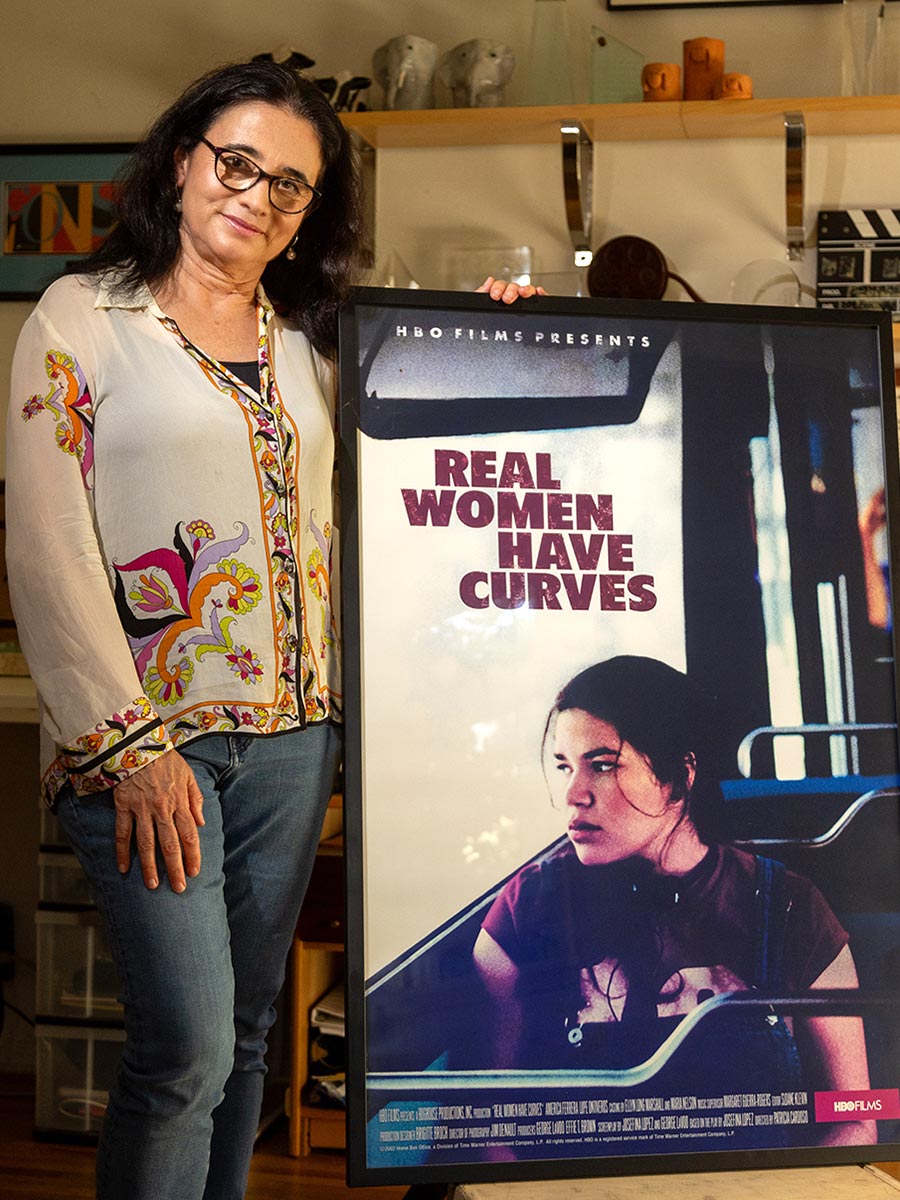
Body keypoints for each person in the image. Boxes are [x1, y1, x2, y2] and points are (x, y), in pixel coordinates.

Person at [6, 61, 542, 1200]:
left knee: (250, 1039)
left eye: (289, 185)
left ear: (308, 216)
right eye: (236, 163)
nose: (255, 195)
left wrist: (486, 333)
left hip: (298, 744)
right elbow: (46, 547)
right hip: (147, 749)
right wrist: (131, 753)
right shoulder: (83, 318)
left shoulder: (314, 339)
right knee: (186, 1051)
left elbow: (441, 432)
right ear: (184, 161)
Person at [474, 655, 875, 1151]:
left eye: (602, 766)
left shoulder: (789, 908)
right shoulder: (526, 912)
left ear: (679, 777)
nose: (572, 794)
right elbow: (487, 1121)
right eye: (563, 767)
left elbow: (855, 1115)